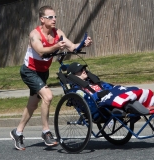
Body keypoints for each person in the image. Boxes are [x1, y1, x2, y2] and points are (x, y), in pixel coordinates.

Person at [10, 6, 92, 151]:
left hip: (43, 72)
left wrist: (82, 44)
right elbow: (41, 51)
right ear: (42, 19)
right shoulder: (34, 34)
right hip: (29, 71)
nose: (54, 19)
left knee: (33, 105)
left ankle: (17, 132)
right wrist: (55, 46)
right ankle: (46, 132)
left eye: (55, 17)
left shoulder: (58, 33)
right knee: (47, 97)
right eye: (50, 17)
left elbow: (72, 46)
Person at [67, 62, 154, 112]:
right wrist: (98, 95)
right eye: (80, 70)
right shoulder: (78, 90)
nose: (84, 71)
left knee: (132, 89)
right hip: (100, 104)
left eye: (84, 69)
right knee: (121, 97)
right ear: (74, 75)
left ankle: (146, 101)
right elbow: (86, 101)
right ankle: (136, 108)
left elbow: (110, 87)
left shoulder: (94, 82)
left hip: (110, 94)